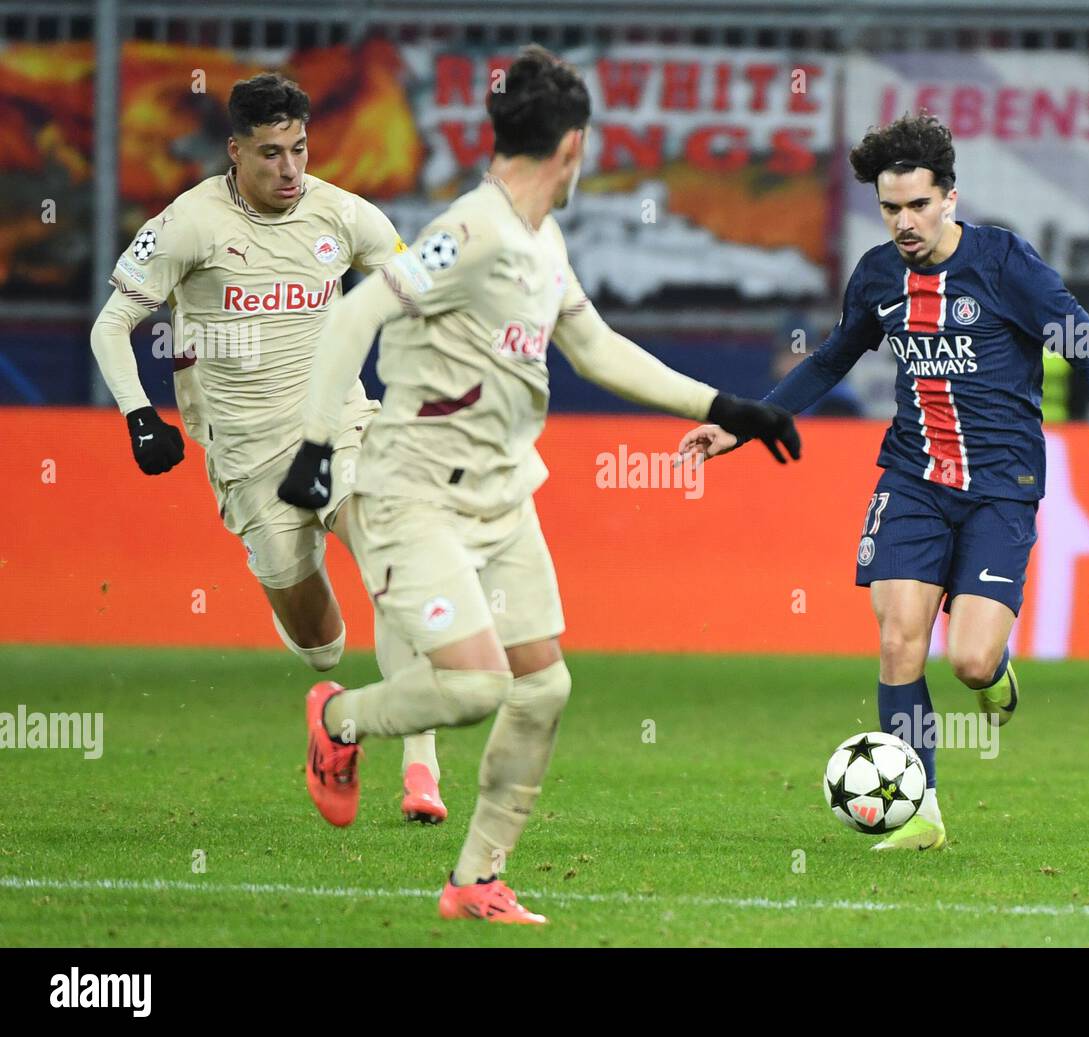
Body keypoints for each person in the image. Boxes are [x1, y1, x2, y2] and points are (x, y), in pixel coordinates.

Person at [276, 46, 799, 924]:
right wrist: (318, 443)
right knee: (478, 687)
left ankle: (475, 878)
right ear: (573, 148)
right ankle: (338, 723)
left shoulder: (542, 240)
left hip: (504, 496)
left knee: (544, 686)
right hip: (416, 493)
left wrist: (727, 405)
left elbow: (594, 348)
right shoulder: (472, 232)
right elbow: (356, 309)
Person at [679, 113, 1089, 850]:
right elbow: (832, 357)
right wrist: (743, 421)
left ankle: (996, 672)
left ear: (950, 199)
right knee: (900, 640)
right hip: (912, 477)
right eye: (889, 207)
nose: (903, 222)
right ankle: (923, 809)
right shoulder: (878, 275)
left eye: (917, 205)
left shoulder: (1006, 266)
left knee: (967, 660)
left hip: (1003, 485)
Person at [88, 72, 447, 824]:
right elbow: (110, 325)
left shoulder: (342, 214)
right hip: (248, 456)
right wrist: (138, 416)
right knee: (321, 643)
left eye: (300, 150)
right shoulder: (189, 223)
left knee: (393, 567)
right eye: (271, 154)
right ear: (235, 151)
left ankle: (423, 775)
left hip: (337, 424)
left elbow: (418, 293)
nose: (290, 170)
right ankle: (333, 711)